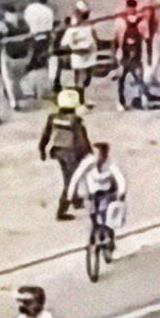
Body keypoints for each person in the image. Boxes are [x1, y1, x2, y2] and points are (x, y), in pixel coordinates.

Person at [38, 89, 92, 221]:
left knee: (68, 176)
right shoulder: (76, 120)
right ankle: (61, 211)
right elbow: (82, 139)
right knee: (71, 181)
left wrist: (42, 149)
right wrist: (88, 153)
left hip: (58, 151)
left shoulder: (53, 118)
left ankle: (75, 200)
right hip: (72, 153)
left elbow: (46, 134)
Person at [68, 142, 127, 238]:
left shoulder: (110, 164)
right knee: (93, 214)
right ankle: (94, 234)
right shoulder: (88, 163)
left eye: (103, 154)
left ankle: (108, 235)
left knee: (104, 213)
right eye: (99, 153)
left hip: (106, 192)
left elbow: (120, 177)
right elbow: (77, 176)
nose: (101, 157)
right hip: (91, 193)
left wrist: (122, 191)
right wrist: (71, 193)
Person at [114, 0, 154, 111]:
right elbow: (148, 40)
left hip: (126, 57)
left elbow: (115, 39)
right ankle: (143, 101)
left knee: (122, 80)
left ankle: (123, 102)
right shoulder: (142, 21)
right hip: (132, 57)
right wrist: (149, 56)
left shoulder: (120, 21)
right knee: (137, 79)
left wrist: (114, 56)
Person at [0, 5, 31, 117]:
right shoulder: (24, 22)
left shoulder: (2, 24)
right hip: (23, 55)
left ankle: (14, 102)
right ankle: (20, 95)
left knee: (8, 79)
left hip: (9, 55)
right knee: (18, 78)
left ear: (6, 13)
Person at [58, 2, 97, 94]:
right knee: (79, 76)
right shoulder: (73, 29)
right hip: (78, 55)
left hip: (88, 54)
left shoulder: (88, 28)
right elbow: (64, 43)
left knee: (84, 77)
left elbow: (94, 40)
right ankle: (79, 93)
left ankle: (80, 90)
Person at [23, 0, 55, 84]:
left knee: (32, 55)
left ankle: (29, 74)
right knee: (43, 57)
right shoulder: (48, 11)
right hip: (45, 37)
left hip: (33, 35)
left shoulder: (30, 8)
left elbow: (27, 21)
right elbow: (49, 26)